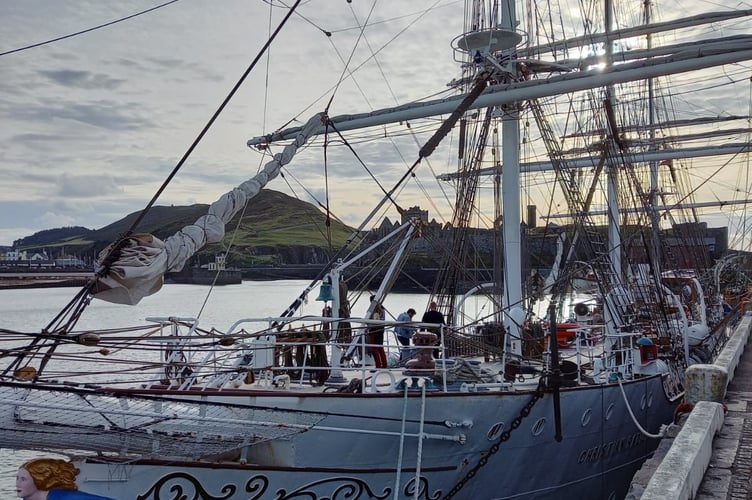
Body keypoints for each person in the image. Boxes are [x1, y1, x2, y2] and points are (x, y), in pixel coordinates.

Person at [17, 458, 114, 500]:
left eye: (23, 479)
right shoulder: (29, 498)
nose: (17, 483)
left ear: (38, 480)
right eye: (17, 478)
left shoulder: (67, 498)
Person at [367, 295, 388, 369]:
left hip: (374, 331)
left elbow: (369, 320)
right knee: (380, 348)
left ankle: (378, 366)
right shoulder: (382, 310)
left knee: (374, 349)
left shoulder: (373, 310)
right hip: (381, 330)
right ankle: (384, 365)